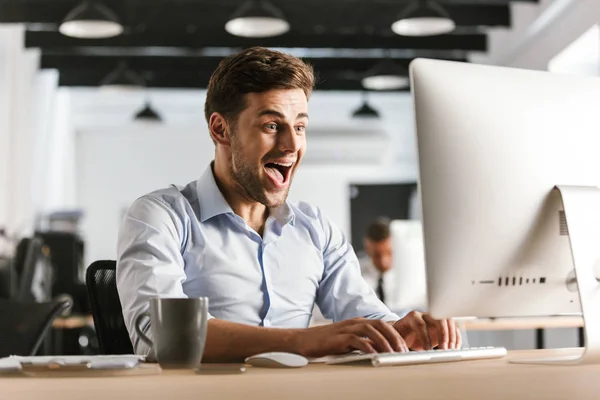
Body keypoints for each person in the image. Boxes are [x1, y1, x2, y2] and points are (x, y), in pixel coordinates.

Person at [116, 46, 461, 363]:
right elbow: (163, 336)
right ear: (221, 129)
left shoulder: (316, 228)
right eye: (271, 125)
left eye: (300, 126)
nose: (292, 144)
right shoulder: (161, 216)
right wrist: (304, 341)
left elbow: (364, 315)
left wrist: (404, 331)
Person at [358, 218, 394, 306]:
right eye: (377, 255)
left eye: (389, 253)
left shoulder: (412, 273)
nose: (383, 262)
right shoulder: (355, 273)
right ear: (367, 247)